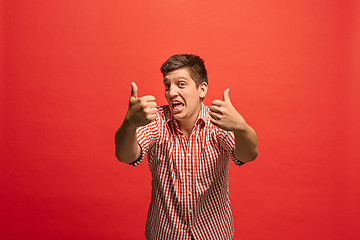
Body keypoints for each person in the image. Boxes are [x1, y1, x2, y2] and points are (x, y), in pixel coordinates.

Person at [115, 54, 258, 240]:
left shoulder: (219, 121)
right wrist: (129, 123)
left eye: (181, 84)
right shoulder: (155, 122)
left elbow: (248, 155)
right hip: (165, 234)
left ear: (202, 89)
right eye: (167, 85)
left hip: (213, 233)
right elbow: (126, 156)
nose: (171, 92)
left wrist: (241, 127)